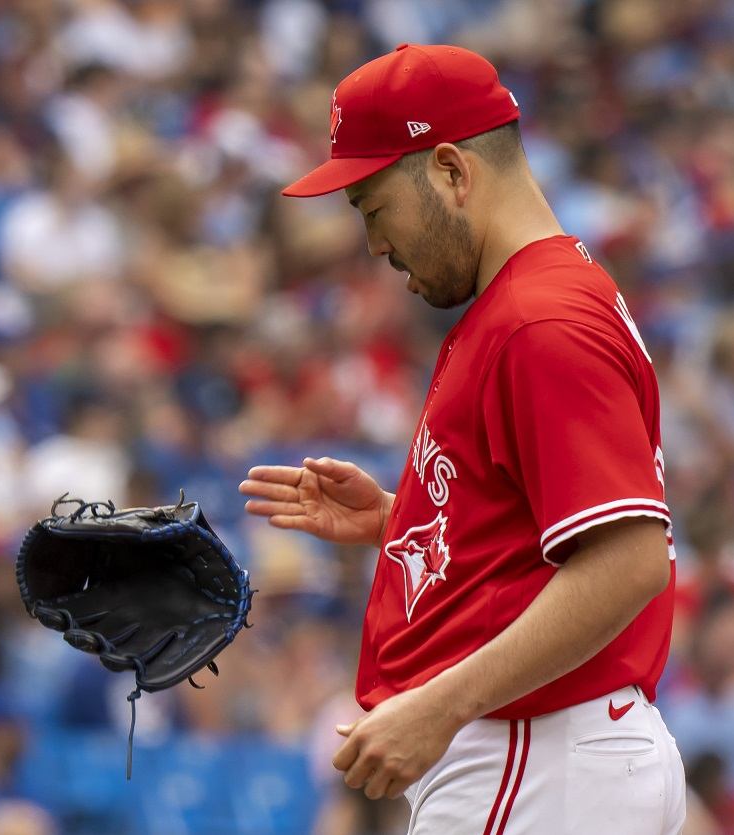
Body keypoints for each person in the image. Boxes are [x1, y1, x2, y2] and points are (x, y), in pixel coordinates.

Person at [241, 44, 686, 834]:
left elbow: (628, 561)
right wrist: (400, 521)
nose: (375, 246)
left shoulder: (538, 321)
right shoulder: (535, 297)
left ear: (450, 170)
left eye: (374, 210)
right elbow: (539, 532)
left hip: (534, 752)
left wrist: (441, 705)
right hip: (551, 755)